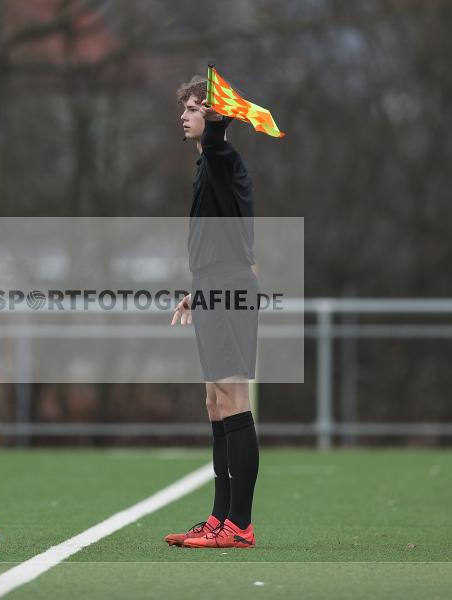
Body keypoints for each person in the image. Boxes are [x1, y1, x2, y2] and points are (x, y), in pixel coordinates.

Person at [164, 75, 260, 549]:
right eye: (184, 107)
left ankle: (239, 526)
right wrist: (196, 289)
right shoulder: (207, 164)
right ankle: (220, 517)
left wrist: (218, 117)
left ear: (215, 115)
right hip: (211, 283)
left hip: (230, 285)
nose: (184, 115)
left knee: (233, 397)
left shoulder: (222, 157)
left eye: (194, 108)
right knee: (214, 400)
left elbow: (219, 139)